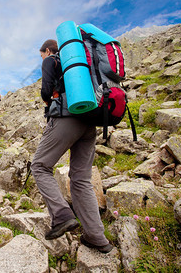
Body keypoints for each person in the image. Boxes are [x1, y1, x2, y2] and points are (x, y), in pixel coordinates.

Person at [31, 39, 113, 253]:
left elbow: (45, 91)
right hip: (89, 119)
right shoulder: (81, 64)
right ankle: (97, 237)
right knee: (81, 179)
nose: (42, 57)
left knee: (39, 166)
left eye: (42, 54)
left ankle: (62, 216)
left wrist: (49, 103)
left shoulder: (51, 60)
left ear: (48, 50)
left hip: (67, 115)